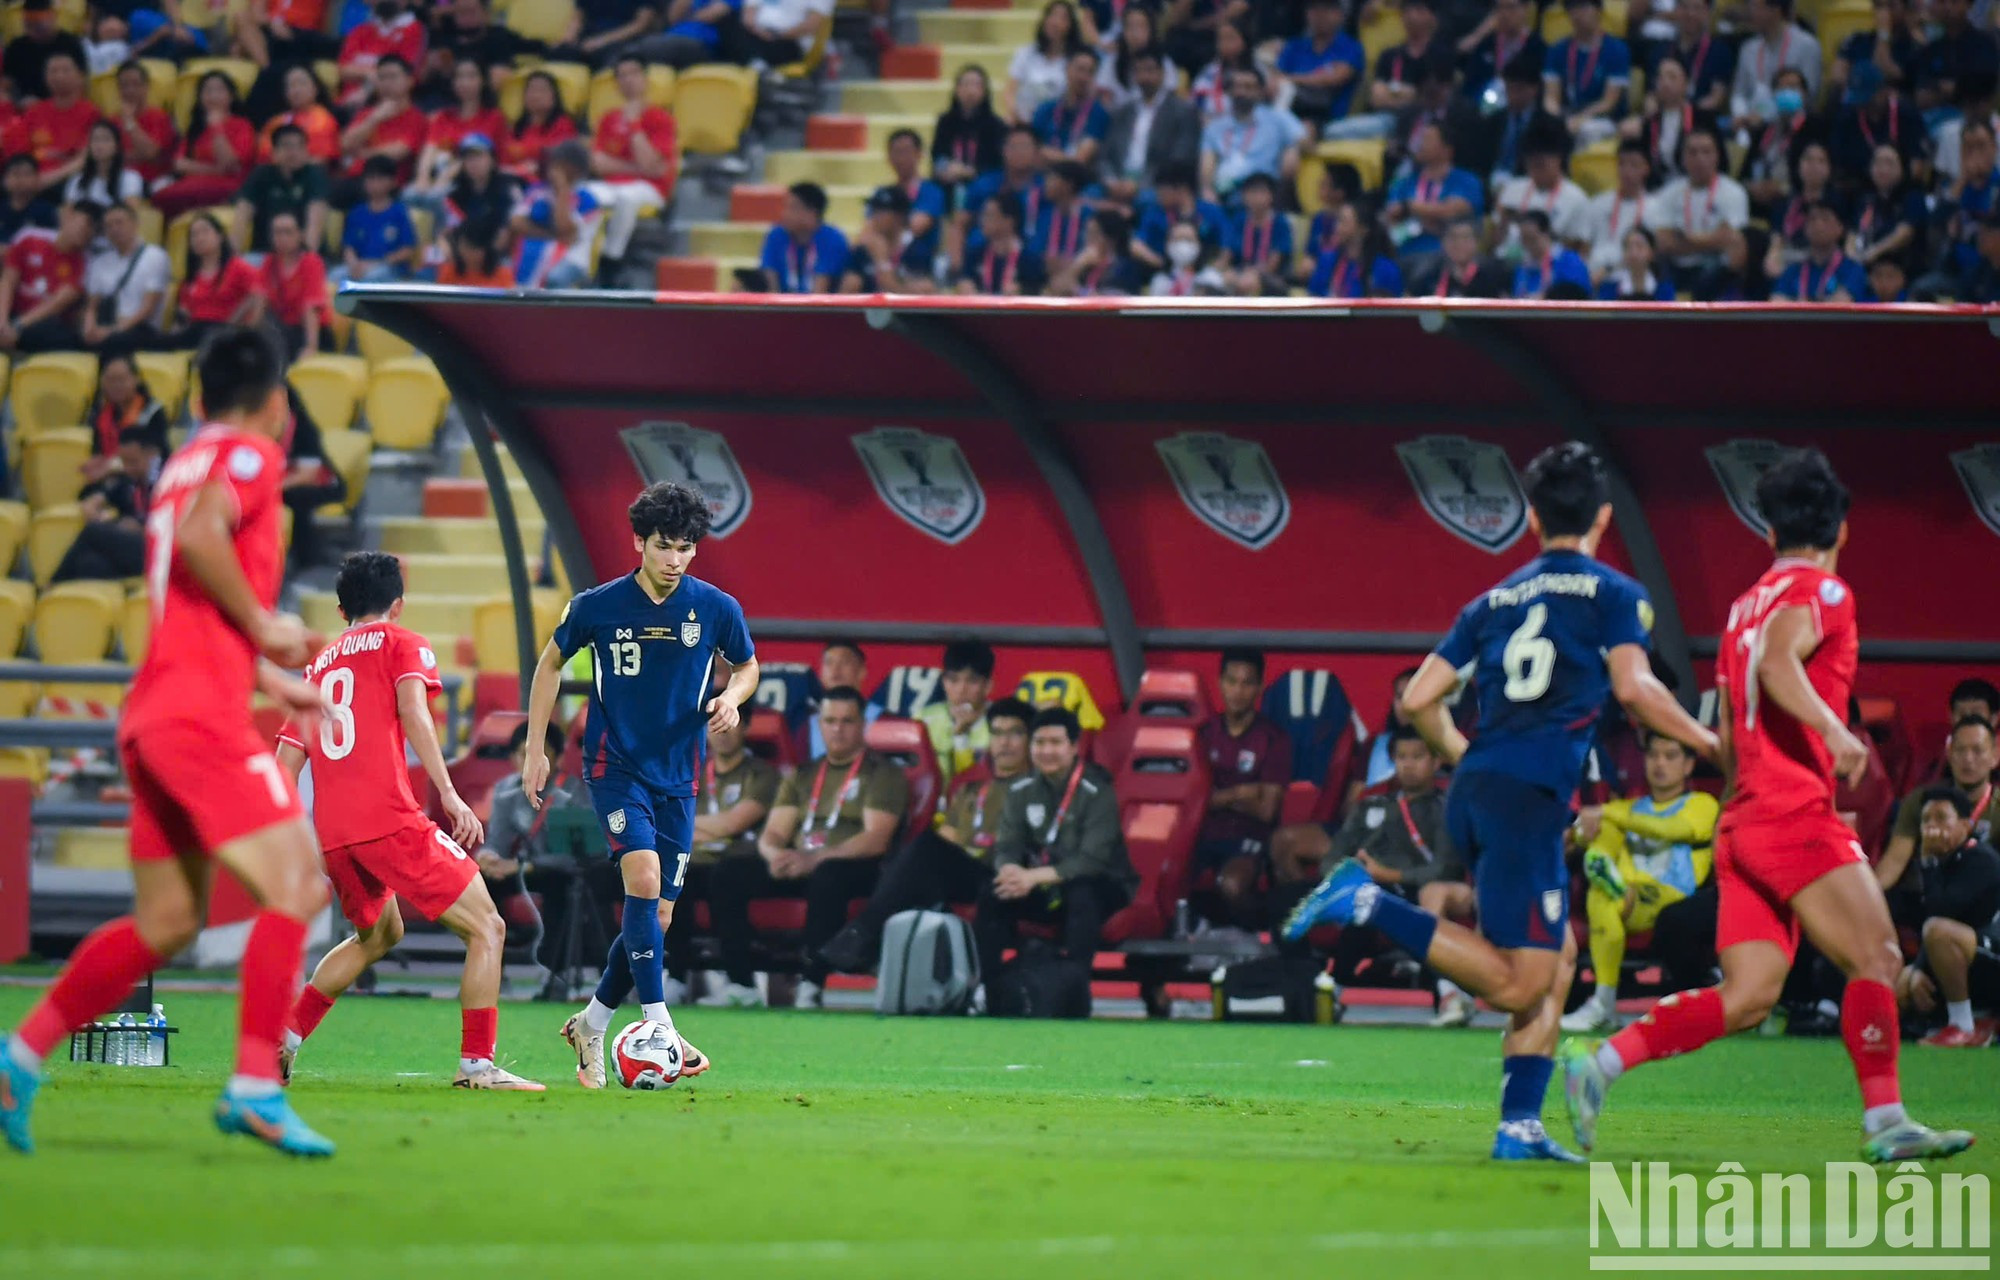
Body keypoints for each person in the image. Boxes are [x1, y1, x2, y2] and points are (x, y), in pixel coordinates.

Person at [1285, 441, 1720, 1162]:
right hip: (1524, 799)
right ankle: (1364, 901)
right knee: (1522, 983)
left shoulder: (1492, 600)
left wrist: (1468, 755)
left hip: (1488, 788)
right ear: (1604, 518)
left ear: (1530, 517)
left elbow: (1420, 699)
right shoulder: (1615, 594)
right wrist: (1709, 745)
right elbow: (1635, 689)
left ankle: (1519, 1125)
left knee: (1559, 958)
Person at [1561, 448, 1974, 1164]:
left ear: (1768, 532)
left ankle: (1599, 1066)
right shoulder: (1825, 594)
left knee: (1750, 994)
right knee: (1876, 954)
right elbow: (1779, 664)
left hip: (1742, 817)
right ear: (1841, 530)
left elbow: (1730, 712)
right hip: (1791, 811)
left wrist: (1740, 774)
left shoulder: (1741, 605)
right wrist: (1834, 728)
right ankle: (1886, 1122)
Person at [0, 326, 335, 1158]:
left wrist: (268, 674)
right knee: (297, 885)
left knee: (168, 920)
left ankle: (18, 1057)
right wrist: (264, 624)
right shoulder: (249, 455)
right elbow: (201, 540)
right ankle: (257, 1085)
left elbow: (188, 601)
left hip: (154, 713)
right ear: (276, 405)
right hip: (198, 719)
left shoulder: (177, 466)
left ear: (193, 398)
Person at [274, 553, 542, 1091]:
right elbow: (416, 712)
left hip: (335, 834)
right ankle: (477, 1065)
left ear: (341, 607)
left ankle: (283, 1038)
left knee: (377, 935)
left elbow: (286, 759)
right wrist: (449, 794)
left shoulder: (318, 665)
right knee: (488, 927)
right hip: (389, 820)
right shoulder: (403, 643)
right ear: (397, 604)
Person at [523, 480, 759, 1088]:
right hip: (614, 765)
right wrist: (534, 750)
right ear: (638, 543)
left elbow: (748, 664)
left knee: (658, 917)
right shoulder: (597, 606)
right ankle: (661, 1026)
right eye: (663, 547)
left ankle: (593, 1021)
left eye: (685, 549)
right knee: (644, 879)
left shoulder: (716, 607)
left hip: (679, 776)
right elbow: (550, 663)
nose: (674, 560)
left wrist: (732, 696)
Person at [705, 686, 908, 1008]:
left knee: (829, 875)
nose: (837, 729)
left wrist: (814, 859)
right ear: (820, 725)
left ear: (862, 726)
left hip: (854, 865)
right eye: (830, 721)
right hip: (801, 860)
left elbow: (876, 838)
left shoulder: (882, 773)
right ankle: (740, 984)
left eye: (847, 721)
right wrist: (774, 855)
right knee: (729, 873)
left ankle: (813, 981)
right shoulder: (804, 774)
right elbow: (774, 831)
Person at [817, 697, 1035, 976]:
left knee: (925, 852)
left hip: (1004, 874)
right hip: (966, 872)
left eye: (1015, 733)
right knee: (919, 857)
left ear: (1030, 739)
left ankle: (863, 937)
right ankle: (873, 948)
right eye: (997, 733)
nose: (1004, 743)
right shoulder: (973, 788)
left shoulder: (1036, 789)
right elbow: (950, 838)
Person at [973, 706, 1136, 997]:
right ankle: (988, 988)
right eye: (1039, 742)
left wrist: (1032, 878)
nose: (1046, 751)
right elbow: (1008, 845)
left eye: (1056, 743)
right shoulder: (1020, 790)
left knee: (1081, 892)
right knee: (994, 892)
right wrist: (1009, 871)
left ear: (1074, 747)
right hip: (1043, 884)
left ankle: (1073, 992)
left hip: (1104, 884)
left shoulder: (1098, 792)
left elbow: (1091, 860)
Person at [1561, 734, 1719, 1033]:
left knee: (1604, 885)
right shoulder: (1629, 807)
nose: (1660, 763)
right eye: (1653, 756)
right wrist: (1580, 833)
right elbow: (1586, 829)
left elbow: (1672, 829)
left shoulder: (1702, 804)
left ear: (1687, 766)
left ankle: (1603, 1005)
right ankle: (1603, 865)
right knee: (1603, 887)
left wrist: (1604, 811)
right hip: (1629, 894)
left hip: (1673, 897)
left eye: (1670, 756)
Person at [667, 718, 778, 996]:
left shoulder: (762, 774)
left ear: (747, 727)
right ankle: (675, 977)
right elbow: (667, 818)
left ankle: (741, 983)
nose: (722, 732)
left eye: (729, 724)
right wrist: (711, 828)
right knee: (672, 874)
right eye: (712, 724)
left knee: (725, 879)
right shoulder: (692, 772)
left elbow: (734, 824)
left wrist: (692, 827)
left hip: (742, 863)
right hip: (697, 862)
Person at [1193, 649, 1291, 928]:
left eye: (1247, 683)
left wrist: (1217, 797)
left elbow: (1266, 810)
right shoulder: (1203, 734)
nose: (1238, 690)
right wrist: (1239, 794)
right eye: (1231, 681)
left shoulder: (1274, 739)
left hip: (1250, 837)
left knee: (1233, 885)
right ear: (1219, 683)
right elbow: (1194, 801)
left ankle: (1257, 936)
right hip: (1202, 835)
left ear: (1259, 688)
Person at [1898, 787, 2000, 1046]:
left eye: (1942, 818)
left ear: (1966, 826)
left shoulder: (1980, 859)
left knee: (1938, 931)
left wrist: (1927, 863)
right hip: (1979, 959)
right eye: (1926, 820)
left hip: (1993, 954)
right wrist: (1917, 970)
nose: (1932, 827)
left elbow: (1941, 914)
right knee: (1901, 981)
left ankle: (1962, 1025)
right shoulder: (1946, 861)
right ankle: (1974, 1020)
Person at [1875, 714, 1997, 902]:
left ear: (1995, 756)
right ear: (1949, 754)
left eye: (1978, 750)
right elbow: (1894, 861)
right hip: (1929, 897)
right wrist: (1866, 898)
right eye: (1960, 750)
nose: (1968, 759)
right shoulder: (1921, 799)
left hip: (1986, 903)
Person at [588, 54, 677, 277]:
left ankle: (610, 262)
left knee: (627, 198)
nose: (628, 79)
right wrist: (638, 169)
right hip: (613, 185)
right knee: (584, 195)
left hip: (651, 189)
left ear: (646, 79)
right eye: (622, 75)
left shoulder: (661, 118)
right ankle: (578, 261)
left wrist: (635, 124)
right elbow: (598, 164)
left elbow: (653, 165)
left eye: (634, 73)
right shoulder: (608, 119)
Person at [1652, 123, 1748, 299]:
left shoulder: (1733, 192)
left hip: (1716, 269)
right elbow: (1664, 242)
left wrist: (1685, 238)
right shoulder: (1669, 192)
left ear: (1717, 156)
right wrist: (1711, 240)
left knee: (1737, 251)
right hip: (1677, 268)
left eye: (1706, 152)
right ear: (1683, 158)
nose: (1699, 158)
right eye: (1692, 152)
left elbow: (1730, 238)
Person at [50, 425, 157, 583]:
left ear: (151, 455)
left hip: (156, 549)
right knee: (88, 565)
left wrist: (142, 527)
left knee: (92, 531)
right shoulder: (127, 479)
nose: (127, 468)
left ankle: (52, 584)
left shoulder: (170, 477)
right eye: (124, 462)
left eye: (133, 462)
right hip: (131, 548)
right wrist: (98, 512)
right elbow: (94, 501)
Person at [1099, 47, 1201, 205]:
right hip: (1118, 181)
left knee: (1147, 201)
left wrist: (1139, 185)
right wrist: (1111, 182)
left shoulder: (1182, 111)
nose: (1144, 77)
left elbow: (1181, 158)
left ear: (1162, 74)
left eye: (1149, 70)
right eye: (1138, 71)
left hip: (1157, 184)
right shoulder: (1123, 112)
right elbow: (1106, 156)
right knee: (1088, 196)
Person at [152, 70, 256, 218]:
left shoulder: (242, 125)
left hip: (229, 187)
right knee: (160, 197)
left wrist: (216, 129)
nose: (213, 96)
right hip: (191, 184)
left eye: (219, 90)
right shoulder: (196, 128)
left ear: (231, 96)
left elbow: (230, 165)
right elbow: (180, 164)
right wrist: (216, 170)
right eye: (208, 91)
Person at [1384, 121, 1485, 273]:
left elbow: (1454, 211)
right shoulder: (1406, 182)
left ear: (1447, 150)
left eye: (1428, 140)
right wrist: (1434, 215)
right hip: (1404, 252)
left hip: (1447, 256)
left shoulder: (1466, 180)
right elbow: (1391, 214)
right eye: (1421, 139)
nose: (1421, 145)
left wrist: (1410, 208)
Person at [1198, 66, 1304, 206]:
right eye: (1236, 87)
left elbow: (1304, 139)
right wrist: (1207, 190)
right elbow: (1207, 165)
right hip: (1223, 195)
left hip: (1263, 194)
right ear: (1229, 91)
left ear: (1260, 91)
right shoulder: (1215, 127)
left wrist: (1292, 149)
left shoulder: (1278, 119)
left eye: (1248, 87)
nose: (1241, 92)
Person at [0, 202, 94, 354]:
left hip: (41, 321)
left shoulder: (85, 262)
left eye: (93, 229)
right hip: (11, 312)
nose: (87, 231)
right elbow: (8, 281)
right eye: (86, 223)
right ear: (68, 215)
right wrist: (2, 321)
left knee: (62, 339)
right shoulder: (30, 236)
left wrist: (17, 326)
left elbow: (57, 303)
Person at [335, 54, 427, 204]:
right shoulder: (368, 114)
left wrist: (362, 154)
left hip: (386, 185)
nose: (387, 83)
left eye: (393, 77)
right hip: (353, 179)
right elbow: (344, 144)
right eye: (382, 78)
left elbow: (398, 152)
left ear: (409, 81)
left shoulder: (417, 117)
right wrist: (374, 119)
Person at [510, 138, 601, 289]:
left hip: (572, 258)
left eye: (559, 162)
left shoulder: (588, 198)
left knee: (555, 279)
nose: (552, 166)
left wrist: (562, 189)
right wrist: (551, 235)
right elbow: (516, 222)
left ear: (574, 168)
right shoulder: (538, 189)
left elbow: (564, 227)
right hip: (533, 252)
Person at [81, 200, 170, 353]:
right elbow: (92, 305)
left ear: (135, 224)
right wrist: (89, 328)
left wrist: (113, 331)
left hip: (140, 328)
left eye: (119, 223)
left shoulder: (155, 256)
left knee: (115, 342)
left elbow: (148, 308)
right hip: (107, 325)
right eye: (109, 226)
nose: (114, 229)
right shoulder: (100, 262)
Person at [1542, 0, 1631, 146]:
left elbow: (1609, 101)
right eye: (1572, 9)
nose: (1577, 15)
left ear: (1598, 10)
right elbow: (1551, 97)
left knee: (1588, 131)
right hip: (1567, 115)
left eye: (1583, 7)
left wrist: (1581, 118)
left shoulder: (1617, 50)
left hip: (1601, 118)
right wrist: (1558, 118)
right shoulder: (1557, 50)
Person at [234, 123, 331, 256]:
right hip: (265, 255)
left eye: (300, 146)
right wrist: (232, 258)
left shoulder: (315, 174)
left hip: (303, 257)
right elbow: (242, 214)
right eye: (287, 146)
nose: (294, 152)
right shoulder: (261, 174)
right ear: (273, 152)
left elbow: (315, 222)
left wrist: (307, 260)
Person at [1493, 121, 1589, 251]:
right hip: (1509, 260)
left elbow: (1579, 246)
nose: (1536, 171)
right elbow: (1495, 241)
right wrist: (1504, 221)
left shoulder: (1576, 198)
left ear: (1558, 160)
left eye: (1541, 165)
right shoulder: (1512, 189)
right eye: (1532, 165)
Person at [14, 51, 100, 195]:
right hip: (32, 180)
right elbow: (21, 153)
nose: (59, 76)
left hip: (69, 181)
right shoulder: (34, 112)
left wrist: (50, 178)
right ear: (45, 77)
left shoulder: (91, 113)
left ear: (80, 76)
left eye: (66, 70)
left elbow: (87, 157)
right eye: (53, 71)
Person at [1730, 0, 1821, 130]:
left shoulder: (1807, 46)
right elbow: (1739, 93)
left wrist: (1765, 116)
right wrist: (1741, 115)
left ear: (1775, 10)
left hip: (1791, 126)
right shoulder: (1748, 48)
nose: (1750, 13)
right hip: (1750, 124)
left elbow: (1807, 96)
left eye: (1756, 7)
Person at [1275, 0, 1364, 129]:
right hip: (1289, 111)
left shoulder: (1350, 46)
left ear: (1340, 14)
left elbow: (1336, 78)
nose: (1320, 15)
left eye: (1327, 9)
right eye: (1314, 9)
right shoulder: (1294, 46)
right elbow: (1275, 78)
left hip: (1328, 118)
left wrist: (1291, 79)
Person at [918, 638, 995, 783]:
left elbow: (971, 783)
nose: (961, 690)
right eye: (953, 680)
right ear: (943, 682)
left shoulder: (999, 721)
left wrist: (961, 736)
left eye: (972, 681)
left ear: (988, 686)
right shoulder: (924, 719)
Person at [1620, 56, 1703, 185]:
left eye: (1672, 77)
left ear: (1686, 84)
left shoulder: (1702, 119)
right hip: (1655, 189)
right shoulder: (1648, 121)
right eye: (1661, 77)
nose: (1665, 83)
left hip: (1693, 185)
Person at [260, 210, 331, 356]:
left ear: (300, 235)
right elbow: (261, 301)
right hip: (284, 331)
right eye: (277, 232)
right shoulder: (269, 262)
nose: (282, 238)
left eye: (288, 232)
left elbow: (311, 307)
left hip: (313, 333)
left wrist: (311, 346)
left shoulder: (311, 261)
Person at [933, 65, 1006, 207]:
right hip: (950, 178)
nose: (970, 91)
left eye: (976, 85)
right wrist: (946, 168)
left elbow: (997, 163)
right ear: (957, 89)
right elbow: (937, 154)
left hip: (981, 180)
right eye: (965, 84)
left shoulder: (995, 125)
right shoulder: (945, 121)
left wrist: (970, 171)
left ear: (985, 91)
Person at [339, 154, 418, 282]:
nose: (375, 184)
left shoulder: (400, 212)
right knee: (334, 277)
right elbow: (348, 247)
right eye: (370, 178)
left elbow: (408, 250)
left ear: (393, 182)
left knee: (372, 277)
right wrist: (354, 265)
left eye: (380, 179)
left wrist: (377, 263)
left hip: (391, 268)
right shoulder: (356, 212)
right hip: (360, 265)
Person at [1645, 0, 1732, 116]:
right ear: (1676, 10)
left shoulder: (1720, 52)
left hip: (1701, 121)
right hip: (1663, 119)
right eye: (1684, 7)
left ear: (1708, 13)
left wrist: (1686, 115)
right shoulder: (1660, 50)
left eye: (1697, 8)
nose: (1690, 13)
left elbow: (1716, 98)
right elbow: (1651, 95)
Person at [1583, 140, 1656, 277]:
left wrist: (1608, 270)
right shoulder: (1598, 203)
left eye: (1634, 165)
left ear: (1646, 168)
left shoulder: (1655, 207)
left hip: (1632, 277)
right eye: (1622, 164)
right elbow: (1585, 245)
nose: (1627, 171)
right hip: (1595, 274)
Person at [1007, 0, 1085, 124]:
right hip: (1024, 122)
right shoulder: (1025, 53)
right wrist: (1017, 115)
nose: (1055, 22)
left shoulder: (1075, 59)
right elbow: (1010, 92)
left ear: (1071, 25)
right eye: (1052, 15)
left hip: (1059, 124)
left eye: (1063, 18)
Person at [1772, 199, 1866, 301]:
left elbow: (1842, 303)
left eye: (1825, 219)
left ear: (1840, 228)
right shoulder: (1793, 270)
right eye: (1812, 219)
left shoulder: (1853, 269)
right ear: (1805, 228)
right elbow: (1776, 301)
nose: (1818, 224)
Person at [1458, 0, 1544, 110]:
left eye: (1510, 7)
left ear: (1526, 8)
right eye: (1499, 8)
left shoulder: (1537, 47)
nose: (1504, 14)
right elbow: (1469, 87)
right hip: (1482, 111)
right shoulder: (1486, 45)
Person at [501, 70, 583, 185]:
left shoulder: (563, 125)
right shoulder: (515, 128)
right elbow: (504, 163)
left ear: (554, 96)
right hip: (514, 184)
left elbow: (562, 162)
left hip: (550, 185)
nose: (536, 95)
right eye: (531, 90)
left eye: (542, 90)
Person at [1308, 199, 1403, 296]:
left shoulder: (1385, 270)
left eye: (1343, 222)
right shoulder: (1327, 261)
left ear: (1363, 229)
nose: (1337, 227)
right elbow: (1313, 298)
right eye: (1337, 221)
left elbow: (1391, 308)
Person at [959, 190, 1047, 294]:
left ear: (1008, 221)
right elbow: (965, 279)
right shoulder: (975, 254)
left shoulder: (1029, 259)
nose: (983, 221)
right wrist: (964, 285)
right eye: (983, 215)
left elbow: (1038, 290)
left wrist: (1022, 290)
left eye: (989, 215)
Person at [1033, 48, 1110, 168]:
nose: (1083, 77)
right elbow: (1033, 151)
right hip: (1042, 177)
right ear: (1067, 69)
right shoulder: (1045, 109)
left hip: (1076, 180)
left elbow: (1080, 159)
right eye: (1080, 69)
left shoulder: (1098, 113)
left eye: (1090, 72)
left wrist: (1046, 154)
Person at [3, 0, 89, 102]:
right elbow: (6, 85)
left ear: (53, 17)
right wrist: (18, 102)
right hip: (25, 107)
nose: (34, 29)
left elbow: (81, 82)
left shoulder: (70, 44)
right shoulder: (16, 47)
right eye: (29, 25)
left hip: (62, 105)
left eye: (38, 24)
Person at [256, 64, 342, 167]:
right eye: (291, 85)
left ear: (315, 89)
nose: (296, 90)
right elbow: (265, 155)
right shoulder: (276, 121)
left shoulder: (324, 119)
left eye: (302, 83)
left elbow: (321, 159)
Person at [1223, 171, 1291, 293]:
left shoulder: (1280, 223)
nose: (1255, 197)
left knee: (1248, 282)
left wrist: (1251, 273)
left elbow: (1273, 263)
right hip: (1242, 272)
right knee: (1223, 278)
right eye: (1251, 192)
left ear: (1271, 196)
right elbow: (1227, 255)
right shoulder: (1240, 220)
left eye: (1261, 192)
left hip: (1270, 277)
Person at [1510, 209, 1591, 298]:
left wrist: (1546, 297)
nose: (1528, 245)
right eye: (1524, 239)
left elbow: (1578, 293)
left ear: (1546, 234)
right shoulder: (1523, 267)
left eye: (1532, 238)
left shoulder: (1568, 260)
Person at [62, 120, 144, 207]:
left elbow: (130, 212)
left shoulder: (130, 178)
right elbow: (68, 214)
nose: (99, 145)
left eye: (106, 139)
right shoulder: (77, 180)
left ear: (117, 146)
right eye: (95, 139)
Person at [436, 212, 515, 285]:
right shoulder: (448, 272)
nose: (467, 253)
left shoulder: (503, 275)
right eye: (464, 246)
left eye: (473, 249)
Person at [1595, 225, 1675, 299]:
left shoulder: (1664, 289)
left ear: (1652, 252)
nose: (1634, 253)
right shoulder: (1609, 288)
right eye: (1628, 247)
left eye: (1639, 247)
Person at [0, 155, 58, 245]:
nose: (20, 180)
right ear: (4, 180)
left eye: (26, 174)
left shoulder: (47, 211)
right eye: (15, 174)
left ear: (37, 178)